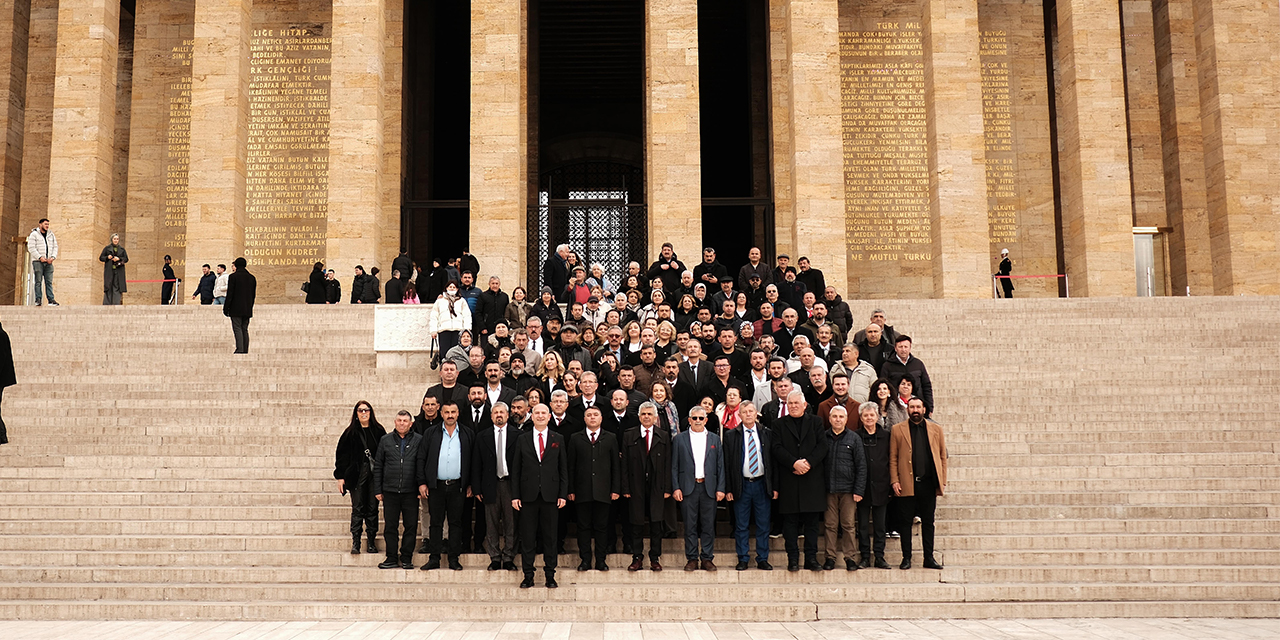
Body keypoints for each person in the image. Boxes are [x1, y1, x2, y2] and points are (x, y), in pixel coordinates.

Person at [511, 403, 568, 589]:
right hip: (528, 496)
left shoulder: (558, 438)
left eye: (544, 413)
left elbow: (563, 469)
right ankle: (528, 575)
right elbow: (516, 469)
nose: (541, 416)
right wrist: (515, 495)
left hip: (551, 497)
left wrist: (562, 494)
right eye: (537, 413)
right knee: (527, 538)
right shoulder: (523, 438)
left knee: (550, 538)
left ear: (549, 416)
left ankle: (550, 575)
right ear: (531, 415)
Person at [772, 390, 829, 571]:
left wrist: (808, 463)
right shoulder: (778, 424)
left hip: (812, 480)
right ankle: (793, 559)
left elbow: (823, 446)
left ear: (805, 405)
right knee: (790, 523)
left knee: (812, 523)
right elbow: (776, 448)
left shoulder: (816, 422)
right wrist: (793, 463)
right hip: (790, 479)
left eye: (797, 403)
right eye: (791, 403)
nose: (794, 406)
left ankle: (811, 559)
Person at [890, 397, 947, 570]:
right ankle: (906, 558)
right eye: (912, 406)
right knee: (905, 522)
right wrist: (894, 480)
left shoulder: (936, 429)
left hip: (928, 484)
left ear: (923, 409)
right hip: (907, 483)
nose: (915, 410)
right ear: (907, 409)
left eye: (918, 407)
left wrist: (942, 480)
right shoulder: (897, 430)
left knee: (928, 522)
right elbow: (892, 458)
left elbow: (943, 456)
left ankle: (928, 557)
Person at [418, 400, 474, 571]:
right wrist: (422, 482)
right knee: (436, 522)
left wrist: (470, 484)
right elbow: (421, 458)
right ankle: (434, 558)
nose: (450, 415)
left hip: (458, 486)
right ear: (441, 413)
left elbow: (473, 461)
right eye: (447, 412)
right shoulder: (431, 433)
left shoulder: (467, 433)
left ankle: (453, 558)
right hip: (436, 486)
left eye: (453, 412)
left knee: (456, 523)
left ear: (458, 414)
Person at [670, 405, 725, 571]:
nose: (698, 421)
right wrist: (676, 487)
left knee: (708, 525)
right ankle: (692, 558)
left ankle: (707, 558)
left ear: (706, 420)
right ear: (689, 420)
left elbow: (720, 466)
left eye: (701, 418)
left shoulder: (715, 439)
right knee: (690, 525)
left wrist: (721, 488)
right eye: (694, 418)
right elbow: (674, 466)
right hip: (688, 487)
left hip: (709, 488)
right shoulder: (680, 439)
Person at [567, 406, 621, 571]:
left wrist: (615, 489)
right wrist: (571, 489)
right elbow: (571, 466)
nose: (592, 418)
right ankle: (585, 560)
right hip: (582, 491)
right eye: (589, 415)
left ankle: (601, 560)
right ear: (584, 419)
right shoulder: (576, 438)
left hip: (603, 491)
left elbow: (615, 467)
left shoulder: (610, 438)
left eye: (595, 415)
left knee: (602, 527)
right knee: (583, 527)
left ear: (601, 418)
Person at [621, 402, 672, 571]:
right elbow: (625, 465)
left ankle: (655, 557)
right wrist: (626, 488)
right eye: (644, 414)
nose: (647, 417)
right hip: (636, 486)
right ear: (639, 416)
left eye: (650, 414)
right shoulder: (629, 435)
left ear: (656, 417)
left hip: (657, 486)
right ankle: (637, 557)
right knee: (636, 523)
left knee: (656, 523)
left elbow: (667, 463)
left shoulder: (663, 436)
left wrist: (667, 488)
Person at [723, 402, 773, 570]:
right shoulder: (731, 435)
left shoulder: (766, 433)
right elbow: (727, 463)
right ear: (740, 415)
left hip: (761, 484)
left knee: (763, 524)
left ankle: (762, 558)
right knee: (741, 525)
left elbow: (772, 462)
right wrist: (729, 488)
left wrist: (774, 486)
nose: (748, 414)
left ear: (756, 413)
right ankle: (743, 558)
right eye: (744, 412)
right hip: (741, 485)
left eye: (751, 411)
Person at [334, 401, 386, 554]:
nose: (364, 413)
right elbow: (341, 456)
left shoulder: (378, 431)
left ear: (371, 412)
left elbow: (385, 453)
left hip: (374, 475)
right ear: (356, 413)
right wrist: (340, 477)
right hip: (356, 475)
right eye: (360, 410)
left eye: (366, 410)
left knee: (372, 508)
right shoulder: (350, 432)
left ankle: (371, 541)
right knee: (357, 509)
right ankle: (355, 542)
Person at [473, 401, 520, 571]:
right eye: (496, 412)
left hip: (510, 485)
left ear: (507, 415)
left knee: (511, 522)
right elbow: (476, 463)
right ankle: (494, 557)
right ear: (491, 416)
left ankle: (508, 557)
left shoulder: (517, 435)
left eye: (502, 412)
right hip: (490, 484)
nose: (499, 415)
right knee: (491, 522)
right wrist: (477, 488)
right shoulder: (482, 436)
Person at [373, 410, 423, 569]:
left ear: (411, 423)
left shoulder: (419, 440)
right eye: (399, 420)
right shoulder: (385, 440)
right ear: (395, 422)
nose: (402, 423)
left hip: (411, 492)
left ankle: (407, 558)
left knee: (411, 526)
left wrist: (420, 487)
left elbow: (422, 464)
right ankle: (391, 557)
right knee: (390, 526)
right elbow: (379, 465)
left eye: (405, 421)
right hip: (390, 491)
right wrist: (378, 489)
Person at [822, 405, 866, 571]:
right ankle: (830, 558)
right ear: (830, 419)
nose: (838, 420)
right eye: (834, 416)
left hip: (848, 490)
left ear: (846, 419)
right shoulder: (823, 437)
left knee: (848, 525)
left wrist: (858, 490)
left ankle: (850, 557)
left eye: (841, 417)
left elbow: (861, 466)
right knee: (830, 525)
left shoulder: (854, 438)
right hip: (828, 490)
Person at [856, 402, 893, 569]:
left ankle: (879, 556)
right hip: (862, 488)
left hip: (881, 486)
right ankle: (865, 557)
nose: (869, 418)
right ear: (861, 418)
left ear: (877, 417)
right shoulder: (856, 436)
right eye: (865, 415)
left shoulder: (886, 436)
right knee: (863, 526)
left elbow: (891, 460)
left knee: (880, 525)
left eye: (872, 415)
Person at [878, 335, 934, 417]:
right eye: (900, 347)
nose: (903, 350)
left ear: (910, 348)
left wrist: (929, 407)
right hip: (896, 408)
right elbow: (883, 386)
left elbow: (926, 386)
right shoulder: (887, 366)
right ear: (895, 348)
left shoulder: (918, 364)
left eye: (906, 347)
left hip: (917, 407)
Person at [429, 281, 472, 356]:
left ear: (457, 289)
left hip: (458, 330)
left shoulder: (462, 301)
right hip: (444, 330)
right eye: (450, 287)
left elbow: (467, 315)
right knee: (444, 352)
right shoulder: (439, 301)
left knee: (457, 353)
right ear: (446, 288)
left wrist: (467, 328)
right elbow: (434, 316)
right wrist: (433, 330)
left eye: (454, 287)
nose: (452, 289)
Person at [223, 258, 256, 354]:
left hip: (236, 308)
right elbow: (253, 295)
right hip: (247, 308)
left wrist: (226, 307)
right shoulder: (252, 278)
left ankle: (240, 349)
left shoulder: (233, 277)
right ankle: (245, 349)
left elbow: (230, 294)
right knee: (244, 329)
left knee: (237, 328)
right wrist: (250, 306)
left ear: (236, 265)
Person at [26, 218, 58, 306]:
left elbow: (55, 247)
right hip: (38, 261)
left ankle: (51, 299)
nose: (47, 226)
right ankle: (38, 299)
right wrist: (40, 257)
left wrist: (52, 257)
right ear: (40, 224)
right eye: (45, 224)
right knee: (38, 281)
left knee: (49, 281)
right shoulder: (34, 234)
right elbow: (31, 247)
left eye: (48, 224)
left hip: (48, 262)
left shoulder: (51, 235)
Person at [98, 234, 129, 305]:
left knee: (117, 287)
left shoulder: (122, 249)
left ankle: (116, 303)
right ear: (112, 239)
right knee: (108, 286)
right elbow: (101, 258)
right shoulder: (107, 248)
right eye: (114, 239)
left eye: (117, 239)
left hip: (118, 271)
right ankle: (107, 303)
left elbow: (126, 259)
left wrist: (119, 258)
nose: (116, 240)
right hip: (109, 270)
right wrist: (107, 257)